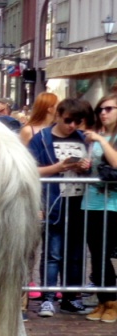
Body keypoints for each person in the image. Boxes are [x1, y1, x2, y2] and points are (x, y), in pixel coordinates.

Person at [27, 98, 96, 318]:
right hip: (53, 201)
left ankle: (70, 297)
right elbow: (30, 169)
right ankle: (48, 297)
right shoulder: (42, 139)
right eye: (68, 120)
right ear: (57, 116)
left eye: (77, 121)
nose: (72, 126)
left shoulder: (82, 139)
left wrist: (85, 168)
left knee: (75, 254)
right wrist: (59, 167)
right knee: (53, 252)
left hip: (78, 202)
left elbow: (90, 171)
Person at [82, 94, 117, 322]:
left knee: (105, 251)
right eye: (100, 109)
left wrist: (103, 141)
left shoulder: (103, 138)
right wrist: (83, 165)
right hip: (91, 200)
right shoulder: (95, 137)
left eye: (109, 109)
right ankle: (104, 300)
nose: (103, 113)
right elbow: (93, 168)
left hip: (112, 203)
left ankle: (112, 301)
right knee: (95, 253)